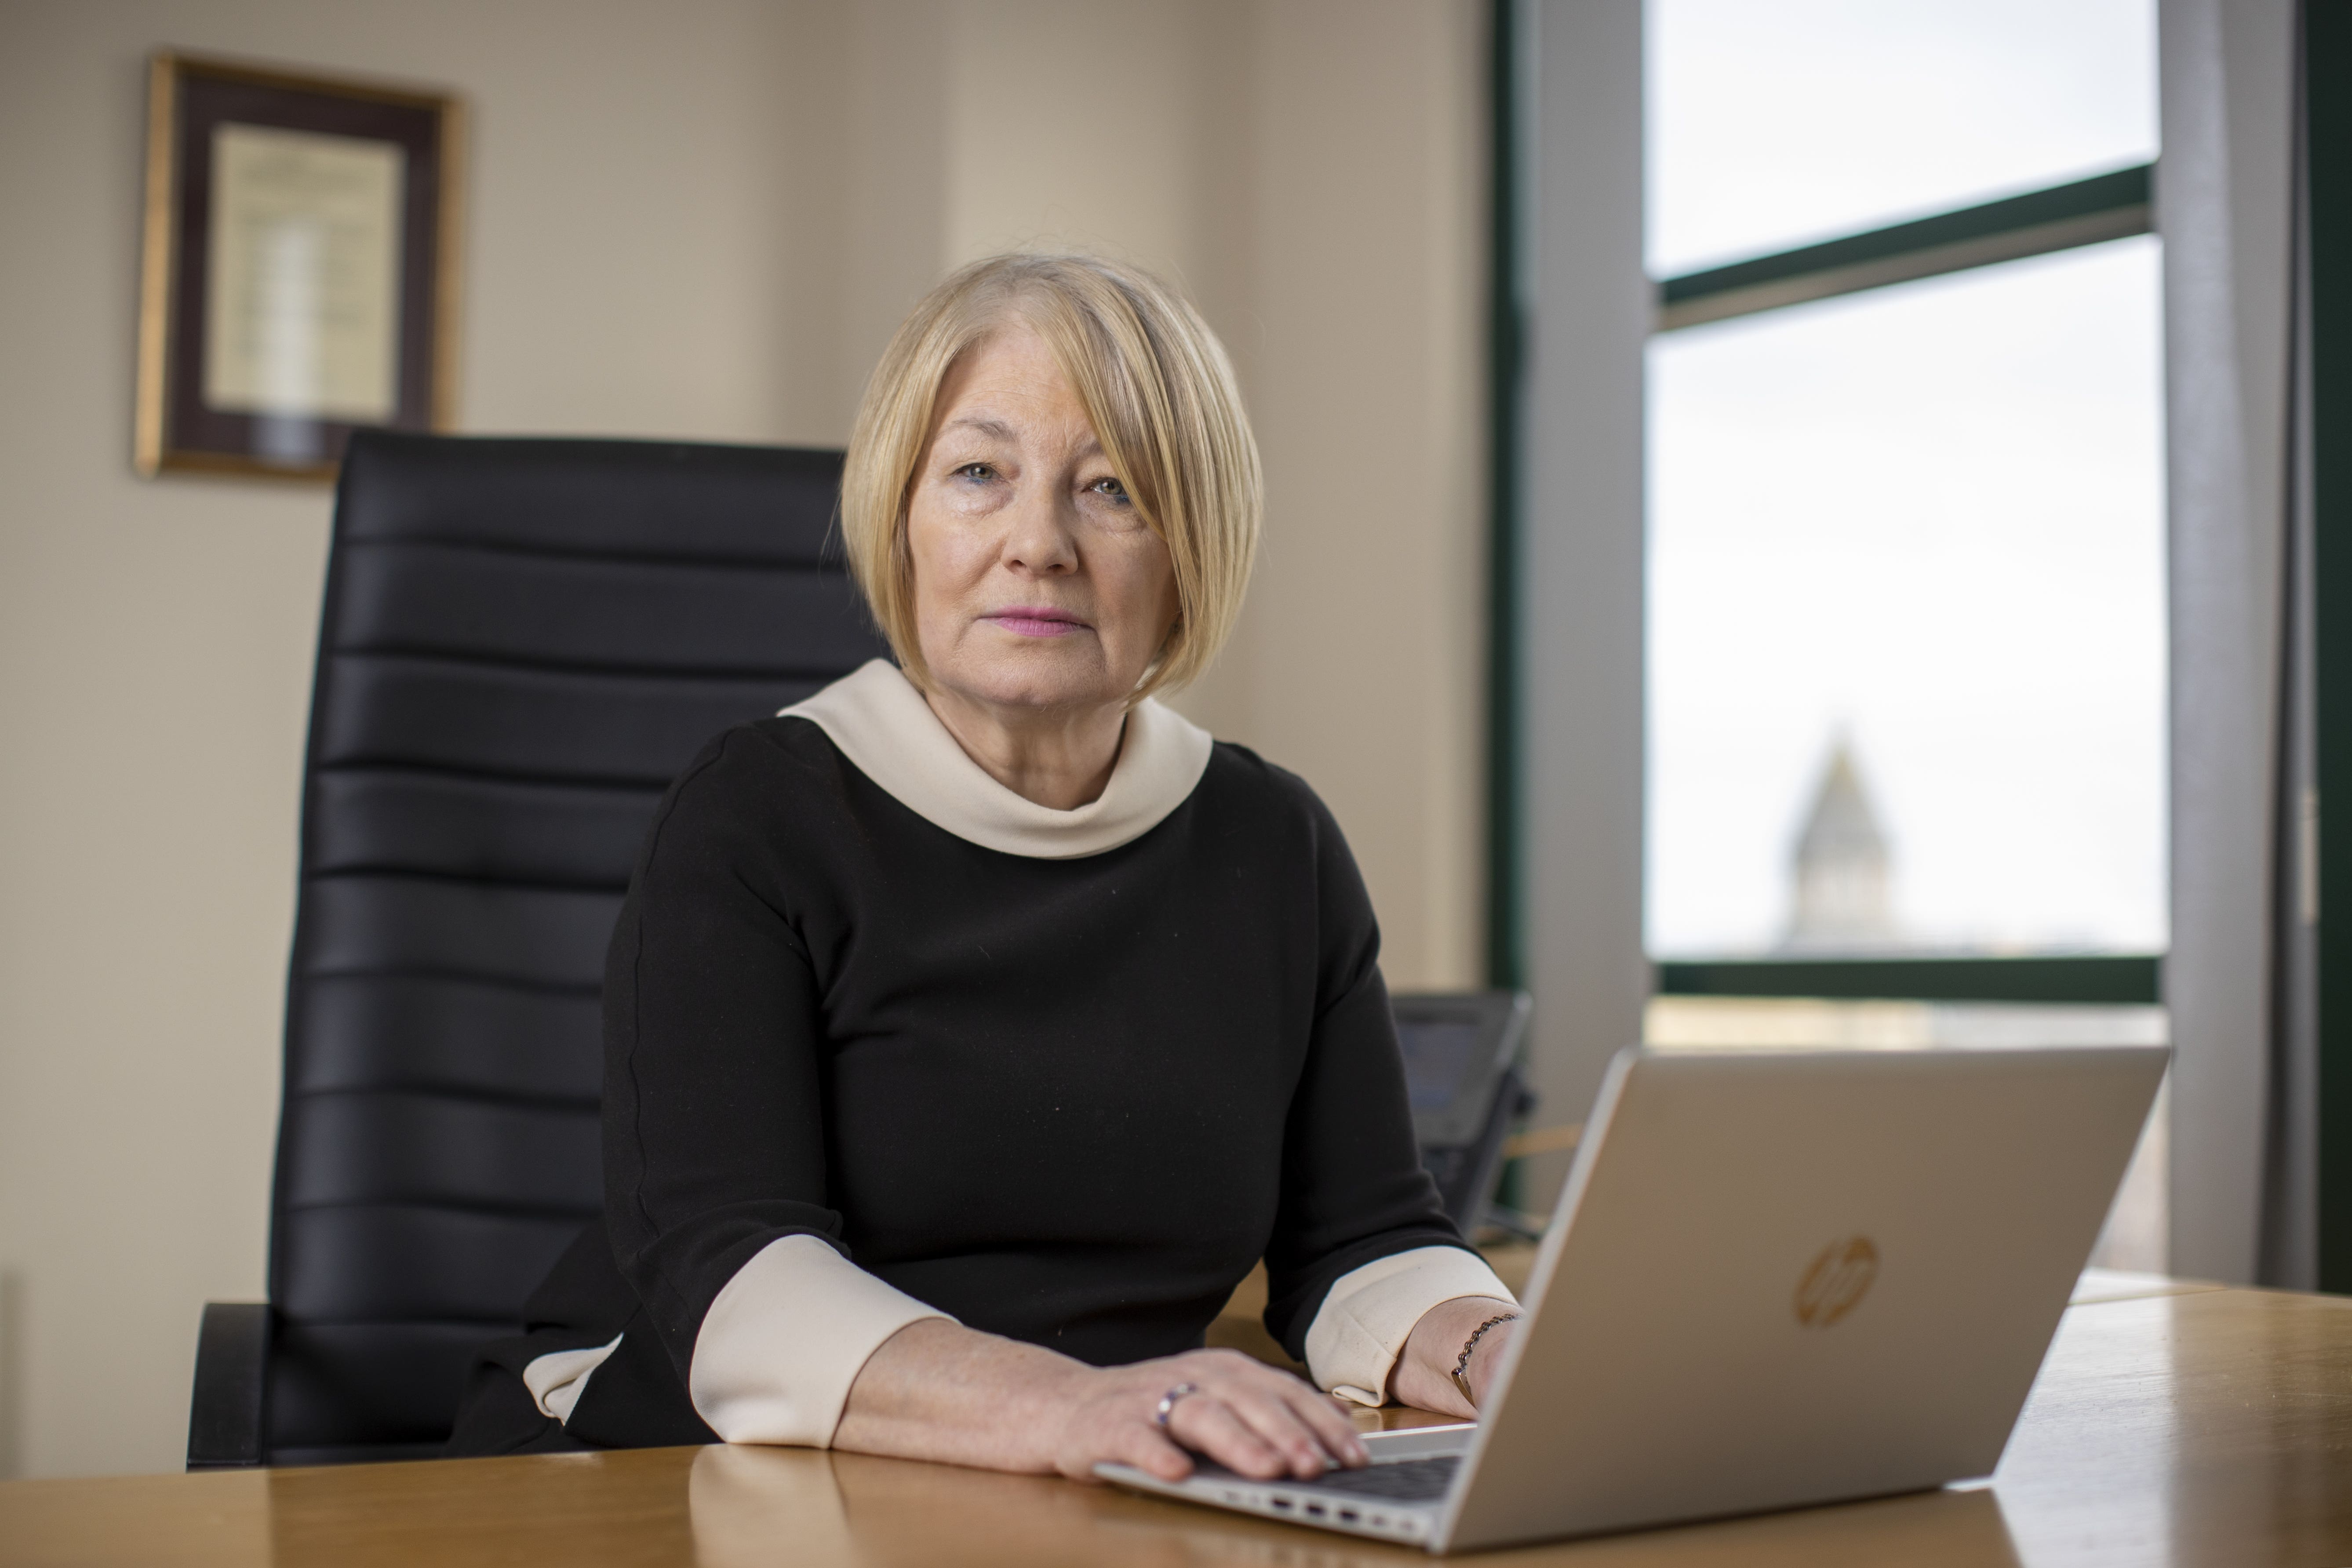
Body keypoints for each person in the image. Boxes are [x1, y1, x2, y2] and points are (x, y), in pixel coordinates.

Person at [448, 253, 1521, 1484]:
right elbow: (727, 1276)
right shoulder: (755, 815)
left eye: (1113, 489)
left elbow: (1364, 1237)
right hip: (672, 1469)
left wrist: (1495, 1345)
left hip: (1063, 1482)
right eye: (978, 474)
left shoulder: (1273, 841)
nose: (1039, 544)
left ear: (1191, 549)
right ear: (902, 519)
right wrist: (1074, 1410)